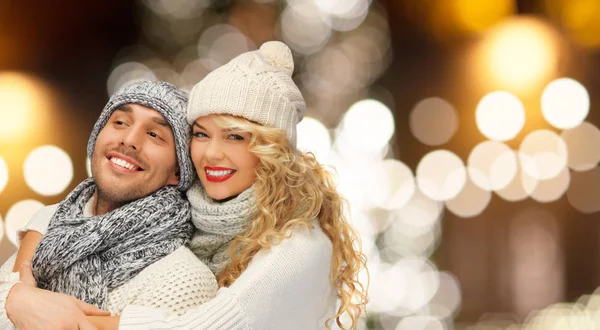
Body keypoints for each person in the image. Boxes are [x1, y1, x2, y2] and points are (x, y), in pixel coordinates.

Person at [4, 41, 368, 330]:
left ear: (272, 149)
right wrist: (19, 291)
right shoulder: (191, 216)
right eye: (201, 134)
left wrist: (39, 308)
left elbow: (205, 326)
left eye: (236, 137)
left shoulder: (299, 245)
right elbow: (70, 219)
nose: (211, 154)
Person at [0, 81, 218, 329]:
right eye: (120, 122)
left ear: (178, 171)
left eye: (154, 135)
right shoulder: (49, 225)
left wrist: (14, 299)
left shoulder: (183, 280)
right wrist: (14, 300)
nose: (129, 139)